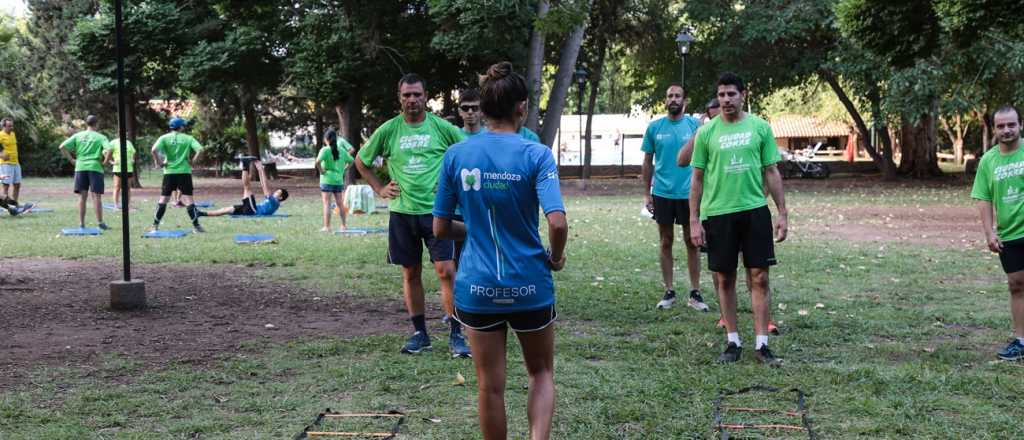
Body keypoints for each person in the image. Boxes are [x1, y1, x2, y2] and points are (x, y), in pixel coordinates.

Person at [434, 61, 567, 440]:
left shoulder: (456, 156)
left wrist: (475, 227)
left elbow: (440, 227)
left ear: (484, 108)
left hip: (477, 288)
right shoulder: (536, 154)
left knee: (489, 387)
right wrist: (555, 258)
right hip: (530, 284)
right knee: (540, 373)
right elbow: (557, 223)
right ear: (521, 107)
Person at [353, 73, 470, 358]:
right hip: (402, 214)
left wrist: (452, 185)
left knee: (446, 271)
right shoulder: (389, 130)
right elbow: (361, 161)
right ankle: (420, 333)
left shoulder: (442, 128)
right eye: (407, 95)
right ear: (399, 97)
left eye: (417, 94)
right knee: (411, 272)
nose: (412, 100)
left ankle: (456, 333)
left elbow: (470, 154)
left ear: (425, 96)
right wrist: (379, 187)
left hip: (436, 213)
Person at [684, 73, 788, 366]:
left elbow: (772, 172)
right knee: (724, 278)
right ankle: (732, 342)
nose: (726, 99)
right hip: (718, 214)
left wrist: (782, 212)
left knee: (760, 277)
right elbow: (697, 179)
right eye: (722, 95)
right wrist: (694, 219)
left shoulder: (760, 128)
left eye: (732, 94)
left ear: (743, 94)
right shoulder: (706, 133)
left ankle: (762, 344)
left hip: (754, 210)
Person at [641, 84, 708, 312]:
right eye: (670, 96)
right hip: (662, 193)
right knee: (665, 241)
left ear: (684, 101)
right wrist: (646, 193)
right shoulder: (654, 128)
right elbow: (647, 162)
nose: (673, 99)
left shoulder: (695, 126)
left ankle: (695, 293)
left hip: (689, 193)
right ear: (665, 100)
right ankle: (669, 291)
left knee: (692, 241)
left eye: (678, 95)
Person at [971, 105, 1024, 361]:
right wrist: (989, 232)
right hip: (1010, 234)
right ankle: (1021, 341)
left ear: (1020, 125)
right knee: (1016, 285)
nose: (1007, 130)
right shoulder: (988, 161)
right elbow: (983, 198)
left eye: (1011, 124)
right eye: (1001, 126)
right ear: (994, 129)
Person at [151, 116, 205, 233]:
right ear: (180, 127)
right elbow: (200, 150)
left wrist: (160, 162)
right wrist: (193, 161)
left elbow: (153, 150)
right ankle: (197, 227)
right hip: (184, 172)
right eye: (183, 125)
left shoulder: (164, 138)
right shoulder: (188, 138)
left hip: (169, 173)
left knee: (163, 199)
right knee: (189, 200)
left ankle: (155, 226)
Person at [59, 115, 110, 230]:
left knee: (82, 197)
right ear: (96, 124)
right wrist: (105, 161)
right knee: (96, 196)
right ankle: (100, 223)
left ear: (87, 124)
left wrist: (72, 160)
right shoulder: (101, 137)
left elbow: (62, 146)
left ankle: (81, 224)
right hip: (95, 167)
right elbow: (109, 149)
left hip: (80, 167)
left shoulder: (78, 135)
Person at [197, 161, 287, 218]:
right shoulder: (273, 202)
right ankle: (201, 214)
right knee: (225, 209)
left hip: (253, 211)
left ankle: (245, 164)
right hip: (250, 209)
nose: (275, 192)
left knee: (247, 188)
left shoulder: (275, 203)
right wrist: (260, 170)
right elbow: (264, 186)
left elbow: (265, 189)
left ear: (280, 197)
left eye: (277, 192)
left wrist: (261, 170)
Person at [317, 129, 353, 231]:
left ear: (326, 139)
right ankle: (343, 226)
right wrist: (344, 170)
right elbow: (351, 161)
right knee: (340, 203)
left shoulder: (325, 150)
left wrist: (322, 171)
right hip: (338, 181)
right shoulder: (342, 150)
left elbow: (317, 162)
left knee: (327, 203)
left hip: (327, 180)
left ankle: (327, 227)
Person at [104, 136, 135, 209]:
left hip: (129, 169)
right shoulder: (113, 142)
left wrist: (133, 159)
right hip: (118, 169)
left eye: (126, 132)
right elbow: (105, 152)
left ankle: (127, 205)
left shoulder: (129, 143)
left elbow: (133, 152)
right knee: (117, 187)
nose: (125, 134)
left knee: (127, 188)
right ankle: (116, 205)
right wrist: (111, 161)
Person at [0, 117, 24, 209]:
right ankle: (5, 206)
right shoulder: (1, 135)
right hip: (5, 164)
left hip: (16, 163)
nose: (11, 128)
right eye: (9, 126)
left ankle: (15, 204)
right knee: (6, 185)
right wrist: (2, 155)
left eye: (12, 126)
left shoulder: (13, 134)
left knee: (17, 184)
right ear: (3, 126)